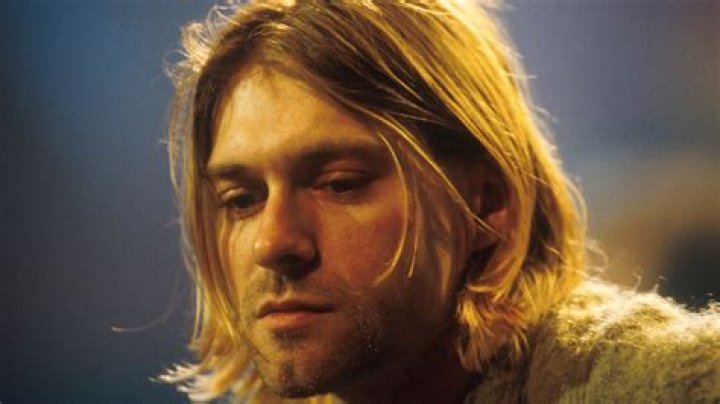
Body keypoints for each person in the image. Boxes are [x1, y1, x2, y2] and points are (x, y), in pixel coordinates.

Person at [161, 1, 720, 402]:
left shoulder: (664, 383)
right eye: (241, 200)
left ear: (486, 205)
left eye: (340, 184)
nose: (273, 242)